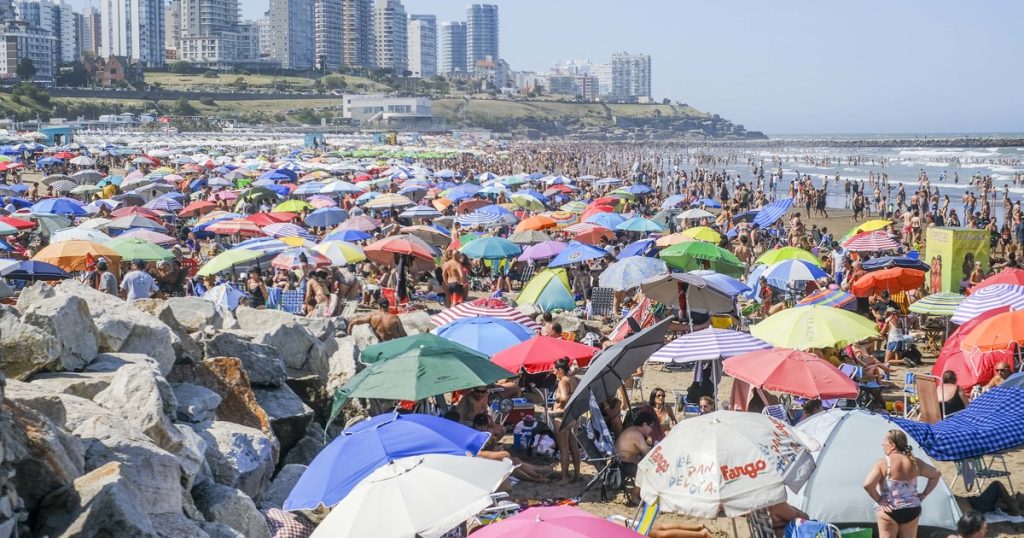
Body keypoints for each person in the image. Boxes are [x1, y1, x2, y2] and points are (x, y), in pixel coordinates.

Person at [863, 430, 942, 538]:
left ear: (892, 445)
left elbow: (868, 485)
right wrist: (924, 494)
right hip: (912, 509)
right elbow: (936, 474)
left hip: (889, 509)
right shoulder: (915, 462)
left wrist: (880, 500)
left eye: (884, 441)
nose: (882, 444)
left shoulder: (883, 463)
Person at [615, 410, 656, 504]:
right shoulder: (636, 434)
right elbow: (647, 452)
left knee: (646, 468)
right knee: (646, 472)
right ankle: (635, 495)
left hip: (622, 462)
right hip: (622, 465)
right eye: (651, 426)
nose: (652, 430)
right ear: (645, 424)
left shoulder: (632, 429)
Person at [551, 358, 581, 483]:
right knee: (574, 447)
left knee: (564, 448)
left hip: (561, 416)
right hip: (573, 416)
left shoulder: (563, 382)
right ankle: (577, 475)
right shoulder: (575, 379)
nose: (553, 373)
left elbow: (564, 397)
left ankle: (564, 477)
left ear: (560, 370)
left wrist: (558, 399)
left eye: (554, 370)